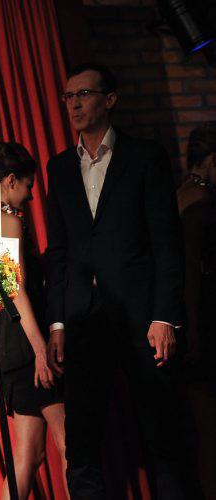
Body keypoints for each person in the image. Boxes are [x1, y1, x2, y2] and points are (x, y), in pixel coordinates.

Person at [45, 63, 200, 498]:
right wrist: (57, 323)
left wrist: (165, 316)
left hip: (142, 320)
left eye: (84, 94)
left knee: (164, 437)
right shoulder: (59, 168)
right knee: (83, 444)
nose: (74, 104)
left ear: (109, 100)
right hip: (84, 321)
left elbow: (167, 243)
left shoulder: (144, 157)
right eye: (68, 96)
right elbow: (58, 252)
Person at [0, 142, 67, 499]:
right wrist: (40, 350)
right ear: (11, 180)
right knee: (70, 444)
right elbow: (13, 289)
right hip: (26, 344)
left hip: (8, 345)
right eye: (29, 186)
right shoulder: (9, 222)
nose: (31, 196)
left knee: (29, 455)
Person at [176, 123, 216, 498]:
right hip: (200, 318)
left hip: (193, 316)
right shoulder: (199, 202)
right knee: (207, 428)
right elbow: (189, 267)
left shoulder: (184, 192)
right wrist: (192, 327)